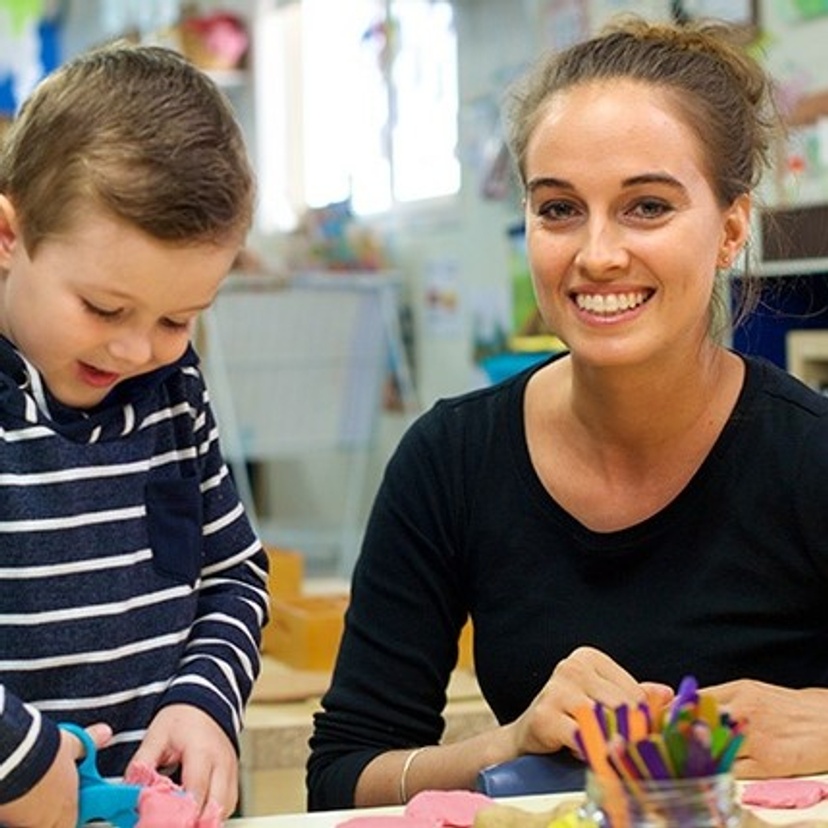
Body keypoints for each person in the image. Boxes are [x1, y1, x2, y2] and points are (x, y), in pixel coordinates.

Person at [307, 15, 828, 810]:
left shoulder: (810, 456)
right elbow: (341, 776)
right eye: (558, 209)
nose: (596, 254)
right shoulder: (449, 459)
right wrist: (507, 743)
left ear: (730, 229)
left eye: (646, 206)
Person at [0, 41, 269, 827]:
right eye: (105, 309)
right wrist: (17, 758)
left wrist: (206, 700)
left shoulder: (172, 393)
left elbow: (235, 576)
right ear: (10, 238)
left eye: (178, 318)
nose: (134, 349)